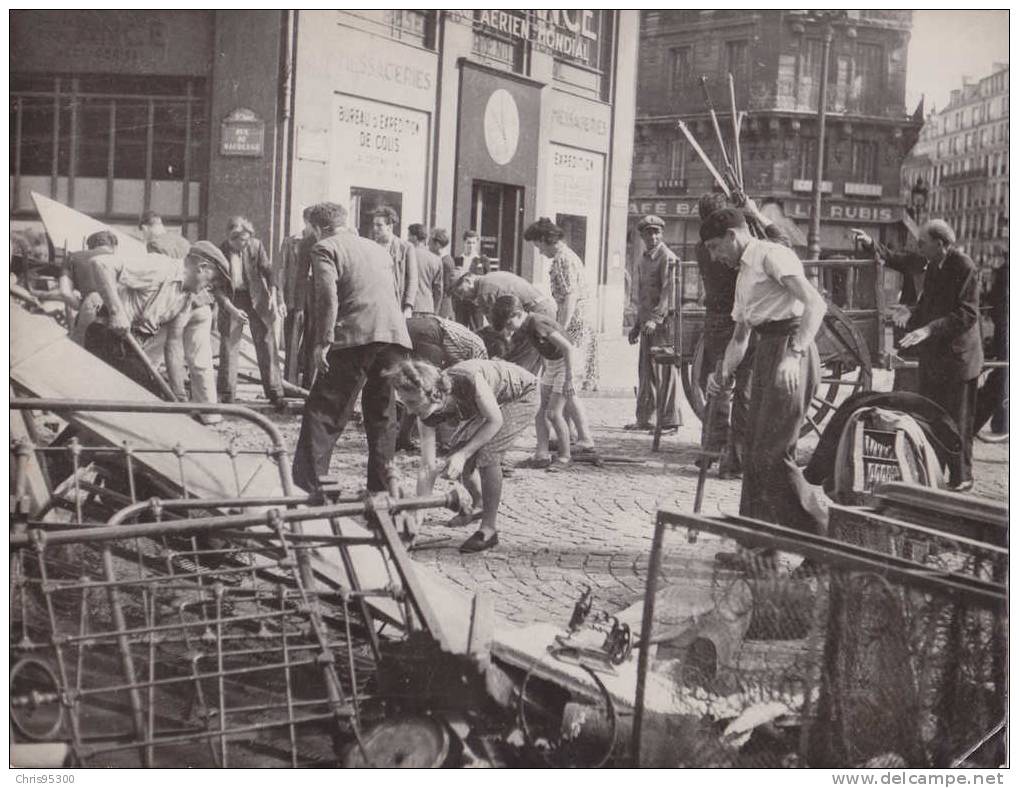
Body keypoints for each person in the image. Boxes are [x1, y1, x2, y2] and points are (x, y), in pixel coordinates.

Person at [703, 208, 829, 553]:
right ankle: (757, 550)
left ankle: (823, 542)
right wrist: (722, 373)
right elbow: (741, 337)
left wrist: (795, 353)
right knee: (754, 454)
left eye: (715, 247)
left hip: (790, 352)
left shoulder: (770, 255)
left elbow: (815, 304)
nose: (714, 257)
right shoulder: (743, 273)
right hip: (766, 353)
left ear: (733, 235)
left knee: (773, 455)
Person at [292, 202, 412, 494]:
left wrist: (323, 342)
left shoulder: (325, 248)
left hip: (355, 337)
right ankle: (381, 491)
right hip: (393, 337)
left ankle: (309, 488)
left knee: (324, 412)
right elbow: (392, 293)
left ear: (318, 228)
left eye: (310, 229)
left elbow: (327, 298)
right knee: (383, 416)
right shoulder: (378, 249)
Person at [862, 220, 983, 491]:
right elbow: (928, 306)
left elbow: (967, 314)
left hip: (959, 359)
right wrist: (911, 313)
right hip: (937, 357)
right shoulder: (934, 267)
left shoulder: (963, 266)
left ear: (940, 244)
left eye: (922, 242)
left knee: (958, 420)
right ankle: (937, 472)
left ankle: (963, 476)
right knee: (933, 415)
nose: (918, 247)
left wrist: (928, 329)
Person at [389, 357, 538, 553]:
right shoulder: (427, 413)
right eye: (404, 402)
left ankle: (489, 530)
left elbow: (495, 421)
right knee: (457, 453)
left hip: (522, 394)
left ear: (434, 393)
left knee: (486, 452)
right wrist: (416, 519)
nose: (408, 410)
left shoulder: (467, 380)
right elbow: (427, 467)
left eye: (412, 402)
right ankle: (480, 503)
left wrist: (463, 455)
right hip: (485, 404)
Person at [695, 194, 793, 477]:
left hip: (716, 321)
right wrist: (754, 215)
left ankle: (711, 449)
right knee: (744, 392)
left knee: (719, 385)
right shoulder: (732, 250)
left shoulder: (702, 248)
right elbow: (782, 244)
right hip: (743, 320)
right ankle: (735, 459)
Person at [82, 241, 228, 400]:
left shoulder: (185, 298)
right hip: (105, 336)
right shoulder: (161, 267)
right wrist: (116, 312)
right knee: (146, 397)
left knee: (153, 397)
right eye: (213, 280)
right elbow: (101, 264)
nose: (211, 287)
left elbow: (173, 344)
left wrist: (178, 393)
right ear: (202, 267)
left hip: (130, 347)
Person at [492, 294, 596, 470]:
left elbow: (568, 348)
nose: (509, 331)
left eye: (509, 325)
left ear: (517, 314)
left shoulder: (537, 323)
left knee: (554, 413)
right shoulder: (525, 326)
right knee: (539, 409)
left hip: (567, 363)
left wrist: (569, 379)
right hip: (553, 364)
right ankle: (542, 454)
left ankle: (564, 456)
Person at [524, 217, 599, 392]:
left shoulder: (562, 259)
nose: (540, 252)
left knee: (569, 372)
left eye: (538, 247)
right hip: (580, 317)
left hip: (575, 320)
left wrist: (559, 329)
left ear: (544, 240)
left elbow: (570, 297)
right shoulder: (567, 255)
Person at [217, 216, 285, 408]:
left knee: (266, 343)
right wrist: (230, 308)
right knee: (229, 344)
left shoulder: (255, 246)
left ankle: (275, 392)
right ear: (231, 238)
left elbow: (270, 272)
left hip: (257, 298)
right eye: (241, 241)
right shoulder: (220, 251)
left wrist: (273, 295)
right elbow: (218, 288)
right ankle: (227, 394)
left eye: (248, 240)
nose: (245, 244)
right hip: (232, 299)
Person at [849, 227, 929, 392]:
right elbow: (889, 256)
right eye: (921, 245)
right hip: (907, 331)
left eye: (925, 244)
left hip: (930, 333)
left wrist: (911, 310)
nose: (922, 249)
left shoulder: (947, 269)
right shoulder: (915, 261)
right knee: (905, 380)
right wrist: (870, 242)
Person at [628, 215, 680, 433]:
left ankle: (670, 422)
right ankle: (645, 418)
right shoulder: (643, 259)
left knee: (664, 372)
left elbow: (669, 291)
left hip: (663, 324)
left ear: (662, 233)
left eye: (656, 232)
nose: (653, 236)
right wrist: (637, 326)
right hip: (647, 323)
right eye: (648, 232)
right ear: (642, 235)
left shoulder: (667, 257)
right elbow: (643, 296)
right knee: (646, 371)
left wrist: (656, 319)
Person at [451, 269, 557, 375]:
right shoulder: (488, 279)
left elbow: (500, 329)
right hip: (542, 310)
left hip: (534, 314)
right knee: (528, 362)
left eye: (461, 292)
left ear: (467, 280)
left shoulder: (485, 292)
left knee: (518, 365)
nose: (462, 298)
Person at [278, 208, 318, 387]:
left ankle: (308, 386)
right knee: (292, 343)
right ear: (305, 221)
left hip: (315, 299)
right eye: (311, 222)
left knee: (312, 341)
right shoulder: (291, 242)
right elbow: (281, 271)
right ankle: (289, 384)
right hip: (295, 297)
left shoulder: (321, 242)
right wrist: (280, 298)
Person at [59, 230, 117, 344]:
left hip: (90, 309)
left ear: (90, 246)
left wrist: (81, 306)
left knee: (81, 353)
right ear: (112, 246)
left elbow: (65, 291)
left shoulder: (72, 257)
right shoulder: (120, 259)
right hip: (116, 315)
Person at [372, 206, 418, 319]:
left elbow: (412, 279)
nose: (375, 228)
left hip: (397, 303)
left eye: (379, 225)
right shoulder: (371, 246)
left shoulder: (405, 248)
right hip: (376, 303)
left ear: (390, 227)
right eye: (374, 225)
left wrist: (408, 307)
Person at [407, 223, 444, 316]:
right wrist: (435, 310)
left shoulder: (407, 255)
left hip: (410, 306)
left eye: (409, 235)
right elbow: (438, 289)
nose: (407, 239)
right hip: (428, 307)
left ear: (414, 237)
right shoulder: (436, 259)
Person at [430, 228, 457, 319]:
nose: (428, 245)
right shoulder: (440, 259)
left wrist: (436, 310)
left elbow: (444, 289)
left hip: (443, 307)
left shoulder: (445, 262)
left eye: (430, 242)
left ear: (437, 244)